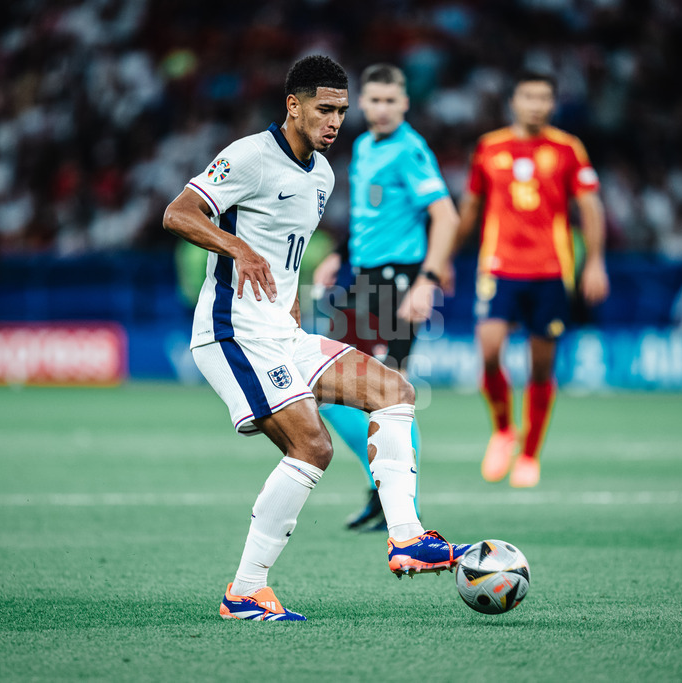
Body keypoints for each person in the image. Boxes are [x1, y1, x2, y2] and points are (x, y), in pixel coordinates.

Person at [162, 55, 469, 622]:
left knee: (395, 392)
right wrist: (238, 249)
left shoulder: (322, 174)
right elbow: (178, 215)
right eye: (325, 109)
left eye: (341, 111)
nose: (335, 121)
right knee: (313, 447)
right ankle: (245, 591)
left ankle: (406, 536)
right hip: (233, 334)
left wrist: (294, 315)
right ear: (293, 105)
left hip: (283, 332)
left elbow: (288, 262)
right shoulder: (250, 156)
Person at [312, 63, 459, 531]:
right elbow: (366, 216)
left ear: (405, 103)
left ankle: (403, 505)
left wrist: (427, 280)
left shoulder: (410, 149)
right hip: (363, 279)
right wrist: (338, 253)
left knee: (392, 393)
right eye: (373, 100)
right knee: (328, 387)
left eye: (390, 101)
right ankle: (382, 486)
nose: (381, 109)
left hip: (399, 282)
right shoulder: (361, 147)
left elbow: (446, 216)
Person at [456, 71, 610, 488]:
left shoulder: (567, 148)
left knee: (540, 368)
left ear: (553, 104)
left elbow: (590, 207)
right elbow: (470, 207)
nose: (536, 105)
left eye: (544, 98)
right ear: (514, 101)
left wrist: (595, 261)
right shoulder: (490, 147)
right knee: (489, 351)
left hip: (550, 271)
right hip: (498, 267)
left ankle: (529, 453)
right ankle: (504, 430)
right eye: (529, 97)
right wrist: (446, 259)